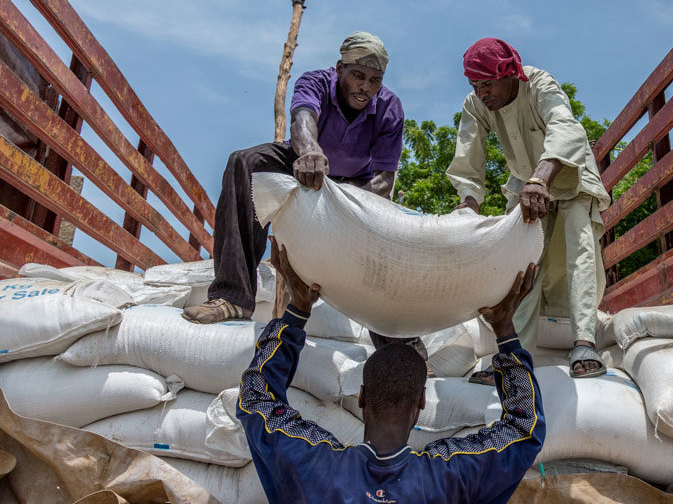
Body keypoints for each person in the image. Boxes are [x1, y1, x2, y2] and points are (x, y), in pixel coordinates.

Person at [237, 237, 545, 504]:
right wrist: (504, 330)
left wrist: (296, 311)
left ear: (361, 397)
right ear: (421, 402)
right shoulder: (451, 476)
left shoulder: (312, 464)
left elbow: (255, 399)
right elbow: (524, 427)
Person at [182, 33, 423, 356]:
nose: (366, 87)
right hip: (301, 161)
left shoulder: (389, 108)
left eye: (374, 80)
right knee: (244, 162)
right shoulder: (316, 82)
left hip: (354, 186)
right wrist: (310, 151)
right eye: (358, 76)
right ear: (340, 69)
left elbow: (383, 181)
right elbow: (302, 120)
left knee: (382, 241)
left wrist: (338, 204)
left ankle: (400, 344)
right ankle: (232, 297)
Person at [446, 37, 612, 381]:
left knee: (580, 250)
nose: (481, 93)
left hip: (569, 176)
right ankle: (513, 358)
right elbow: (468, 158)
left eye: (488, 84)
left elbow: (564, 126)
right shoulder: (476, 105)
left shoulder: (538, 84)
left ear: (510, 75)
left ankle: (584, 344)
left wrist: (541, 179)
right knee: (521, 264)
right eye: (475, 85)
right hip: (526, 182)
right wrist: (468, 206)